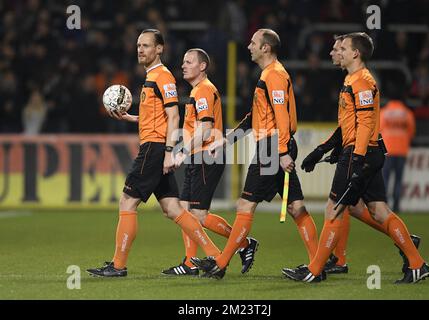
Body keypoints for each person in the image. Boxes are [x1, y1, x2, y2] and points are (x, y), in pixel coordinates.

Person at [282, 32, 429, 284]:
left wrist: (357, 160)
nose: (334, 52)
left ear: (355, 53)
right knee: (378, 211)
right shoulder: (353, 79)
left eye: (341, 48)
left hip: (359, 152)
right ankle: (417, 263)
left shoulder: (361, 81)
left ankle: (315, 270)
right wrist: (322, 149)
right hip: (365, 152)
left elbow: (364, 125)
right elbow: (347, 125)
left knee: (335, 208)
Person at [86, 29, 222, 277]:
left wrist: (170, 151)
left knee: (127, 201)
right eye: (138, 45)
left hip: (155, 147)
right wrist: (132, 117)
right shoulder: (153, 77)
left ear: (159, 49)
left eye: (146, 45)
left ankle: (118, 266)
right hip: (157, 145)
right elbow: (158, 116)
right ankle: (217, 257)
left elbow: (173, 115)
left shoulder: (163, 77)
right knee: (173, 209)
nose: (140, 49)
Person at [191, 29, 321, 280]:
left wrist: (282, 151)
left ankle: (220, 263)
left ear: (265, 48)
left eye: (253, 43)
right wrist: (229, 140)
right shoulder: (270, 74)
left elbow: (281, 116)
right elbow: (255, 117)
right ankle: (318, 265)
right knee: (295, 207)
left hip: (272, 148)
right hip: (275, 146)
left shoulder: (274, 75)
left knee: (245, 205)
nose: (248, 46)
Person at [161, 48, 258, 276]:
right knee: (184, 211)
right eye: (183, 61)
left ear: (202, 66)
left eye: (189, 61)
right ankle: (190, 262)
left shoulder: (204, 90)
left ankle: (244, 244)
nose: (183, 65)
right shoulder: (198, 91)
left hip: (206, 157)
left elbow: (205, 130)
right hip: (198, 156)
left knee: (199, 216)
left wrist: (183, 151)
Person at [380, 99, 416, 212]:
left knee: (385, 178)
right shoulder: (407, 113)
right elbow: (411, 131)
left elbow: (379, 130)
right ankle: (396, 206)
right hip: (401, 150)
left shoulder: (384, 112)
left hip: (387, 150)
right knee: (398, 180)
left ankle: (384, 205)